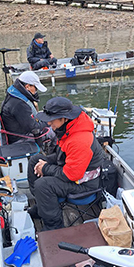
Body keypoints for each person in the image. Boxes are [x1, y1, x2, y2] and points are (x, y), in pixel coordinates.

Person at [27, 97, 108, 231]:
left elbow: (71, 175)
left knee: (43, 185)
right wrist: (45, 164)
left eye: (52, 119)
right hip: (73, 171)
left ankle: (54, 227)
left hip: (85, 184)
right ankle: (44, 206)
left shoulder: (79, 139)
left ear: (64, 118)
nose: (49, 123)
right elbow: (63, 155)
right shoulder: (69, 128)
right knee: (35, 160)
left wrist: (46, 168)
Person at [0, 71, 50, 145]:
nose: (36, 91)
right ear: (27, 87)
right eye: (35, 88)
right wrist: (49, 121)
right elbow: (34, 128)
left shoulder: (13, 95)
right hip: (20, 139)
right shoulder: (19, 104)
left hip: (16, 131)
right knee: (54, 130)